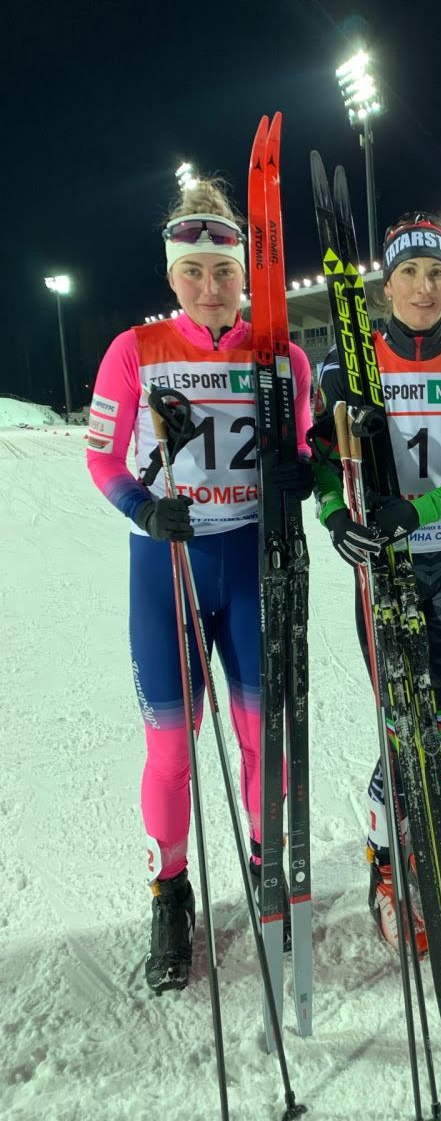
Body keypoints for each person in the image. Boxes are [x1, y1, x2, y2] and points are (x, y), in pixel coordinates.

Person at [86, 178, 313, 992]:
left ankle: (264, 866)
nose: (210, 287)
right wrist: (144, 509)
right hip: (169, 568)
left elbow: (304, 450)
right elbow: (102, 458)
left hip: (249, 564)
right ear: (172, 273)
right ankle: (170, 893)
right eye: (194, 271)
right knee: (173, 749)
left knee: (262, 740)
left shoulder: (281, 355)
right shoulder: (134, 350)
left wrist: (301, 473)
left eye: (225, 270)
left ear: (245, 274)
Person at [309, 212, 441, 951]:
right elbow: (322, 461)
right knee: (401, 728)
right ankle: (386, 868)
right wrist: (336, 517)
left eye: (438, 273)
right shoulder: (345, 364)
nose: (425, 287)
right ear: (386, 286)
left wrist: (416, 510)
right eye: (410, 273)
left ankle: (420, 846)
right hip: (384, 571)